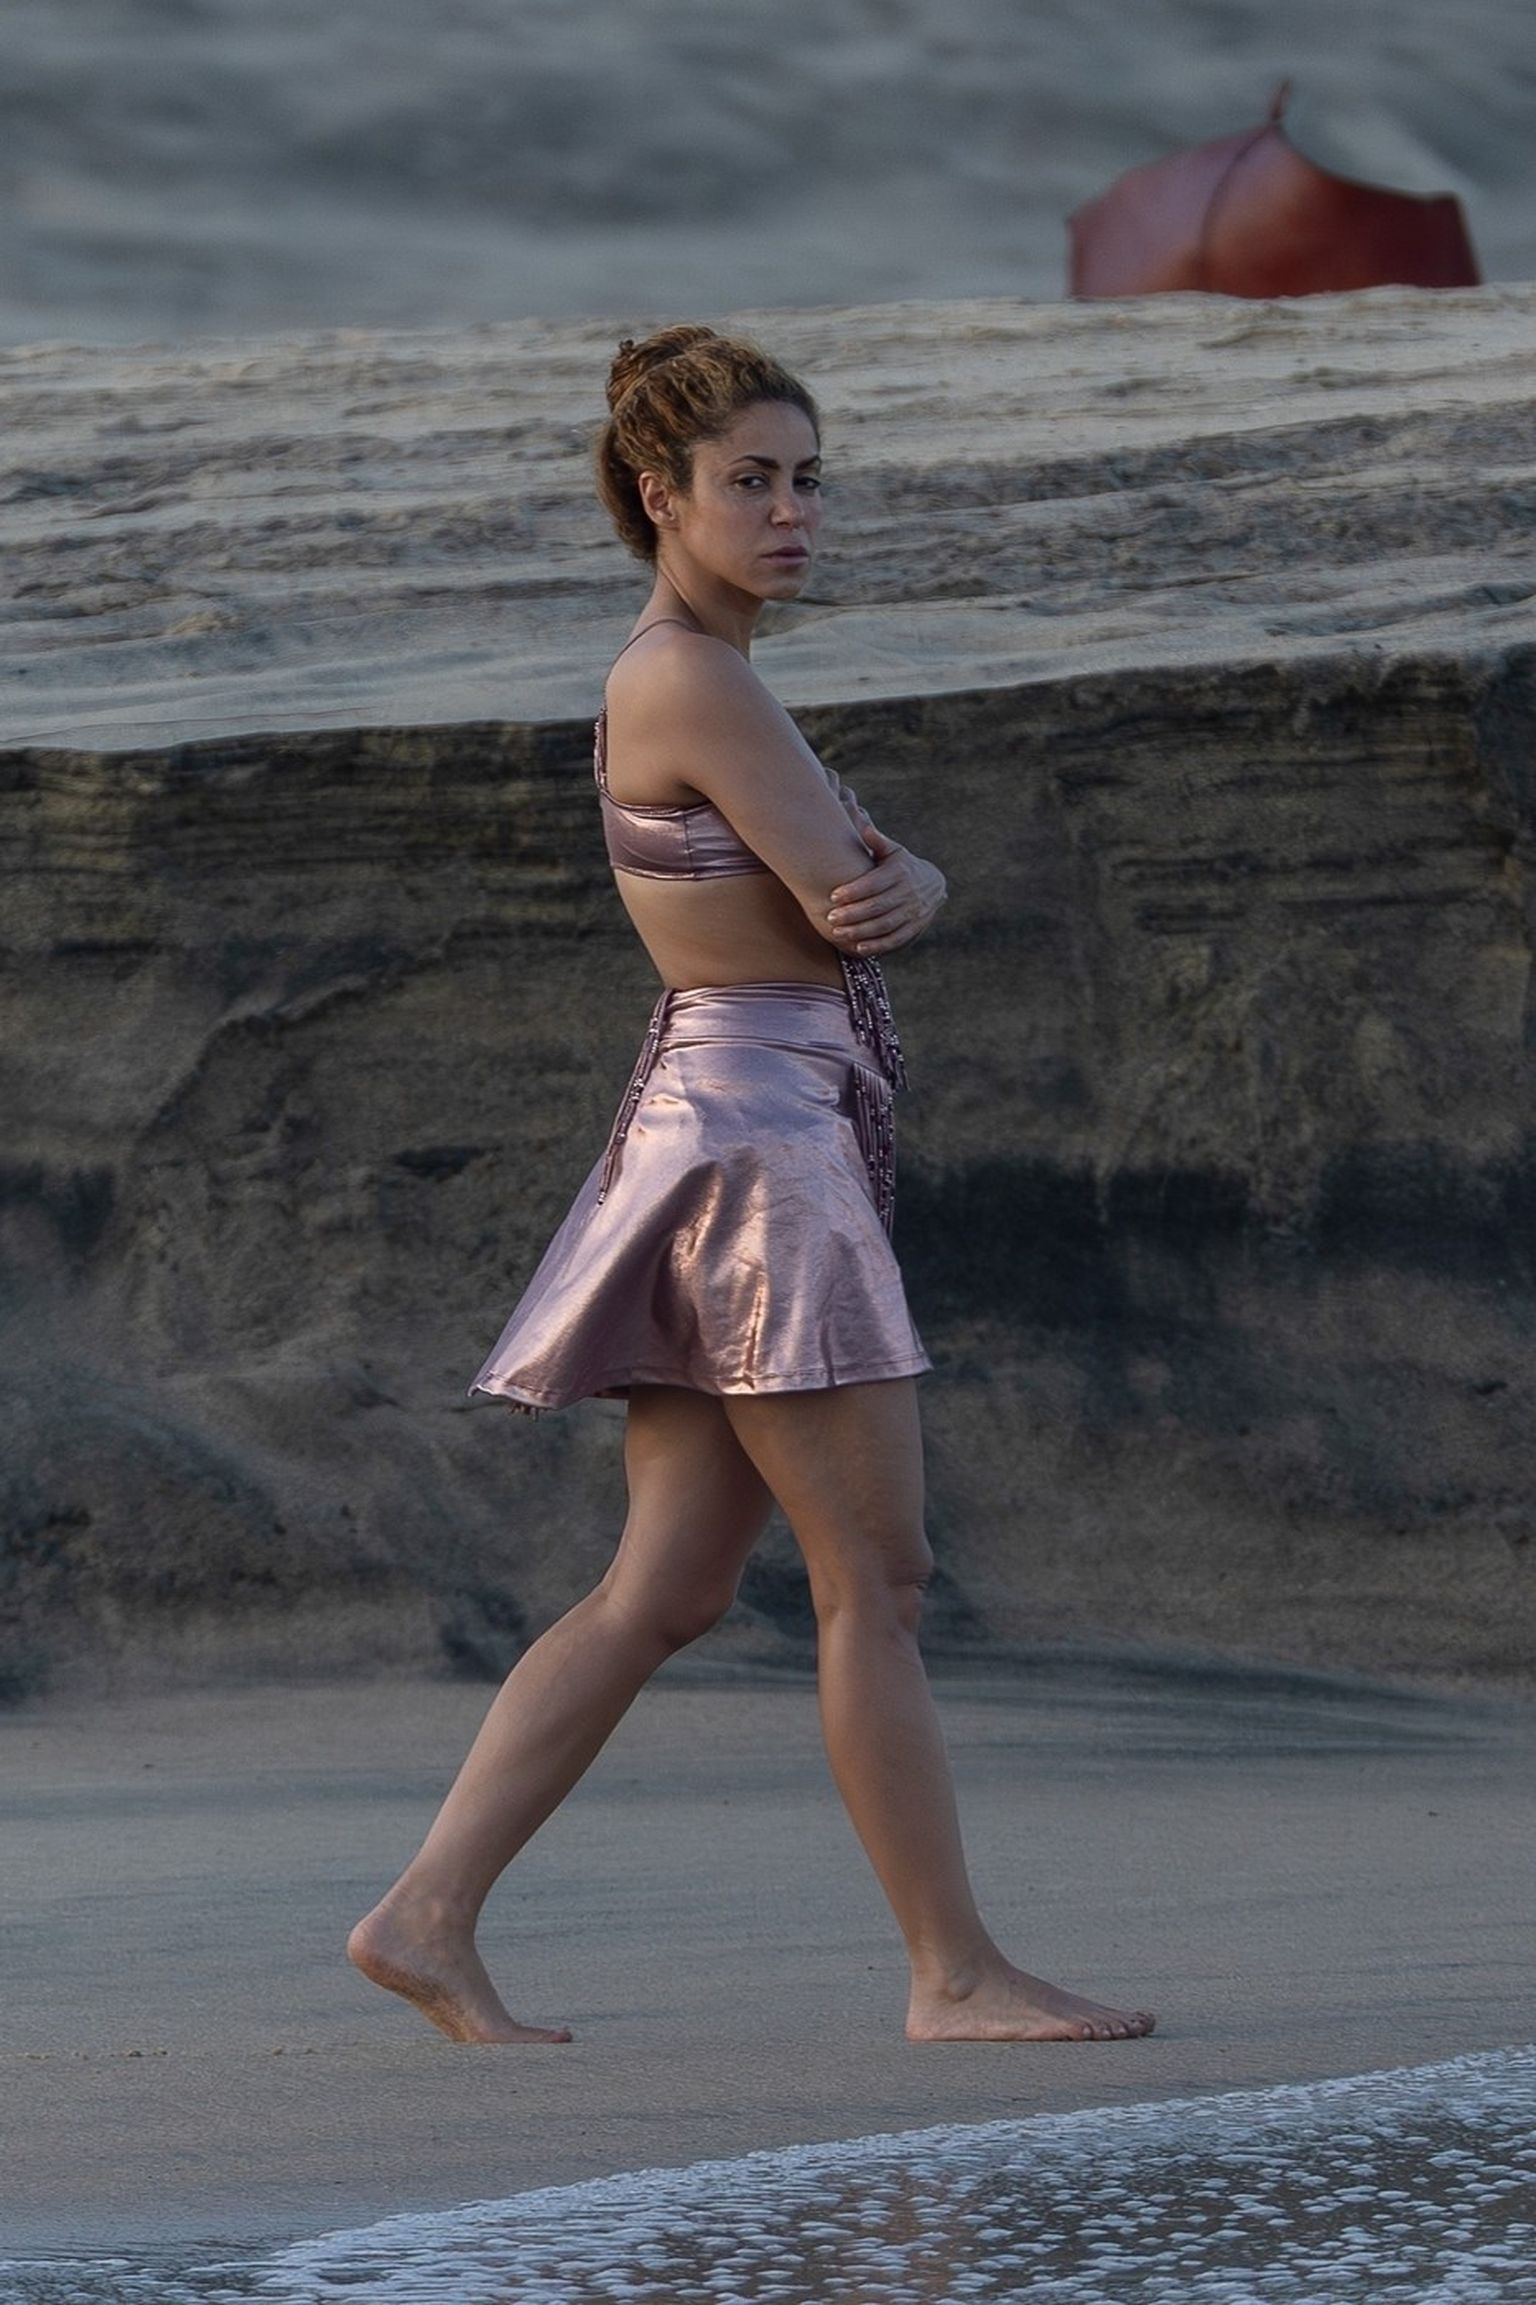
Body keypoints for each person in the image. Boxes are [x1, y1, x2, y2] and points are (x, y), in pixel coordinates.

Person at [348, 325, 1155, 2048]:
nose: (793, 513)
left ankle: (423, 1913)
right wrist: (914, 871)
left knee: (669, 1586)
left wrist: (909, 874)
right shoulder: (692, 680)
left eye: (808, 481)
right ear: (661, 495)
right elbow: (847, 892)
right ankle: (951, 1973)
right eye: (751, 482)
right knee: (881, 1578)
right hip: (759, 1147)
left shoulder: (702, 674)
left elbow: (866, 886)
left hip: (749, 1121)